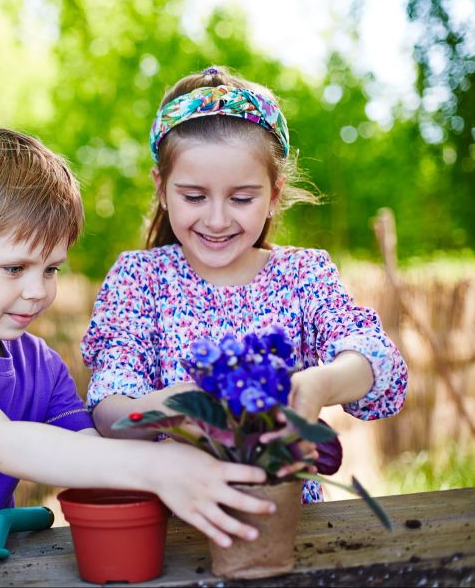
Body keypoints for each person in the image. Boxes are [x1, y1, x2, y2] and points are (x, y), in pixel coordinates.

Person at [0, 128, 276, 549]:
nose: (38, 290)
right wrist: (159, 468)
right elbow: (0, 442)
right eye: (15, 268)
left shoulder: (40, 364)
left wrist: (177, 429)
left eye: (52, 268)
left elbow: (87, 456)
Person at [81, 66, 408, 504]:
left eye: (241, 198)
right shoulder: (140, 279)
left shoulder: (303, 275)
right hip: (173, 528)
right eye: (194, 197)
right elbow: (109, 406)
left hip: (286, 524)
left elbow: (374, 358)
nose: (216, 220)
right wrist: (168, 410)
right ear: (161, 187)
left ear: (274, 194)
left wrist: (317, 386)